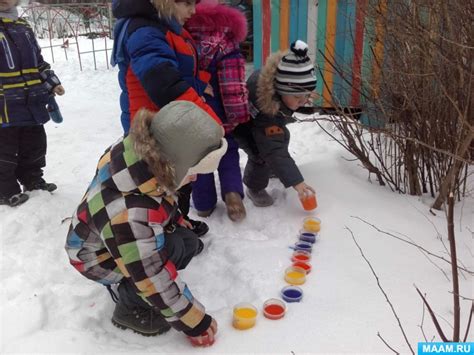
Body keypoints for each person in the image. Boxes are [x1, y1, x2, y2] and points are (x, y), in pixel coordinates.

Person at [65, 101, 227, 347]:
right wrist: (193, 320)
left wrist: (177, 219)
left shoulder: (139, 156)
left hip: (117, 234)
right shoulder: (131, 214)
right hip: (96, 259)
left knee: (187, 242)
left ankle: (149, 265)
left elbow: (157, 194)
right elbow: (151, 274)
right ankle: (130, 308)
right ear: (174, 163)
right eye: (193, 171)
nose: (196, 177)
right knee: (161, 256)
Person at [111, 0, 220, 235]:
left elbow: (176, 72)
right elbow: (163, 85)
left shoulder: (163, 26)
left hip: (169, 123)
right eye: (188, 3)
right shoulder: (145, 31)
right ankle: (166, 232)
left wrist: (200, 82)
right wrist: (209, 121)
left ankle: (178, 223)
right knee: (159, 185)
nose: (193, 11)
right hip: (153, 129)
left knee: (180, 181)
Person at [185, 0, 249, 222]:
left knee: (198, 155)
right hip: (219, 112)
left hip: (190, 109)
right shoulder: (227, 38)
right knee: (227, 150)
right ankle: (232, 193)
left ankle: (203, 204)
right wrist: (237, 115)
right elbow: (233, 84)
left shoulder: (181, 30)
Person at [233, 40, 317, 207]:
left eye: (306, 96)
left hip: (259, 122)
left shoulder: (277, 78)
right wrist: (297, 182)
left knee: (278, 140)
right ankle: (254, 187)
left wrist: (300, 96)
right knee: (261, 156)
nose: (303, 102)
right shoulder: (267, 110)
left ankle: (274, 168)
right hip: (244, 129)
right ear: (281, 90)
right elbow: (274, 150)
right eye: (297, 98)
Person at [0, 0, 65, 207]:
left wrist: (50, 82)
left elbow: (37, 60)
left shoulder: (23, 26)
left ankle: (33, 180)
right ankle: (5, 189)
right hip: (3, 105)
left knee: (34, 145)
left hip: (31, 101)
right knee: (5, 149)